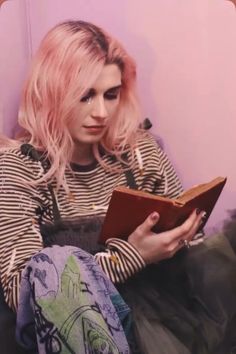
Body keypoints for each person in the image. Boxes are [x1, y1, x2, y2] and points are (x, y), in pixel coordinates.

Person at [0, 20, 235, 354]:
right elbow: (21, 291)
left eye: (111, 95)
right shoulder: (17, 166)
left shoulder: (140, 152)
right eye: (85, 96)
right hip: (71, 327)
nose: (101, 112)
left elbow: (192, 248)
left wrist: (181, 233)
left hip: (162, 311)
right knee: (53, 266)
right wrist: (133, 257)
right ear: (53, 92)